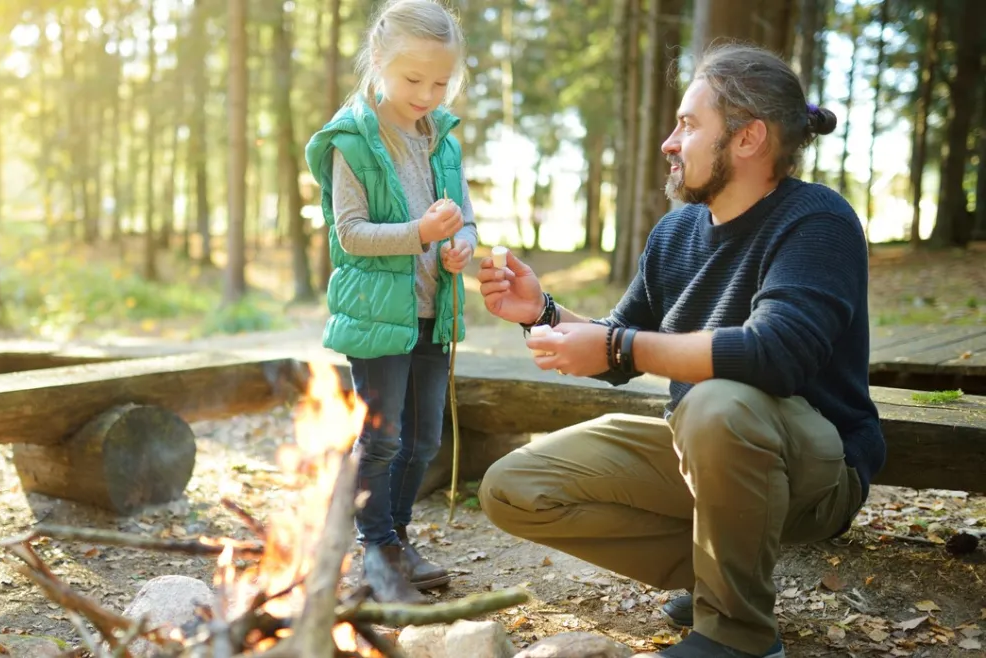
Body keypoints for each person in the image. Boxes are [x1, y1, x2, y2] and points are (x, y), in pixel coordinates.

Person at [475, 43, 885, 658]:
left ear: (748, 139)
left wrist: (621, 344)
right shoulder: (675, 234)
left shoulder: (817, 220)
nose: (670, 141)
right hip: (706, 449)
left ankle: (737, 635)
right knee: (515, 485)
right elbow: (620, 346)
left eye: (689, 125)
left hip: (816, 470)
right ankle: (721, 581)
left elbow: (777, 354)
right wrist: (544, 312)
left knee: (719, 404)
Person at [304, 0, 477, 603]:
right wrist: (419, 235)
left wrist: (458, 246)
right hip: (378, 316)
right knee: (383, 438)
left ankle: (399, 539)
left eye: (440, 82)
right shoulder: (350, 141)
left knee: (425, 439)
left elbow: (465, 221)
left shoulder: (442, 138)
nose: (427, 94)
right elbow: (348, 234)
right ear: (378, 61)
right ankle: (374, 550)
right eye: (413, 80)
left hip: (433, 309)